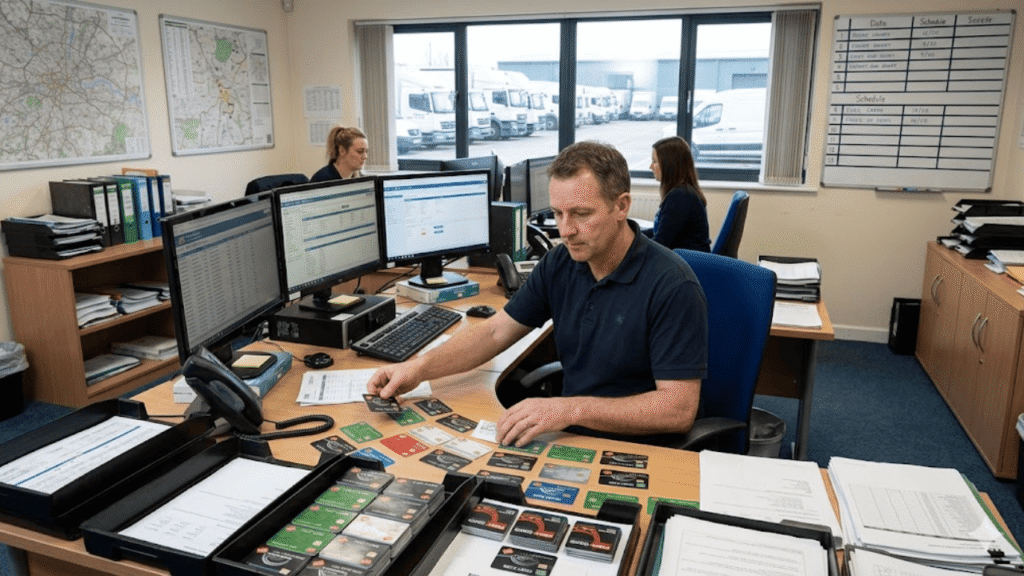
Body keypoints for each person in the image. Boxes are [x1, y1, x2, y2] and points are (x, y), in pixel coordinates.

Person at [367, 141, 708, 448]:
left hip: (640, 448)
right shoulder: (561, 261)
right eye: (558, 213)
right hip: (571, 436)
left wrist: (569, 407)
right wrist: (418, 368)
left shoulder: (672, 285)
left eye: (581, 214)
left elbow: (676, 409)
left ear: (621, 206)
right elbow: (495, 331)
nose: (565, 230)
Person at [647, 136, 711, 252]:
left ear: (669, 164)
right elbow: (662, 230)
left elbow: (660, 245)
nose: (651, 167)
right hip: (687, 259)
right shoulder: (683, 191)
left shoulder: (680, 196)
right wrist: (633, 235)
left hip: (688, 264)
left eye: (655, 161)